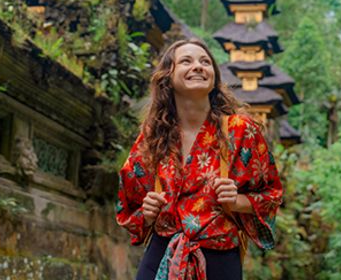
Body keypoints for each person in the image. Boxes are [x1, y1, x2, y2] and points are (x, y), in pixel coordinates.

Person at [116, 39, 283, 280]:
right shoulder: (153, 136)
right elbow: (128, 206)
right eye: (186, 61)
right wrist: (148, 211)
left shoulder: (241, 131)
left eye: (205, 62)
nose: (198, 66)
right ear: (167, 77)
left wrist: (236, 200)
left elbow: (272, 195)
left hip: (220, 259)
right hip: (163, 254)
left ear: (214, 76)